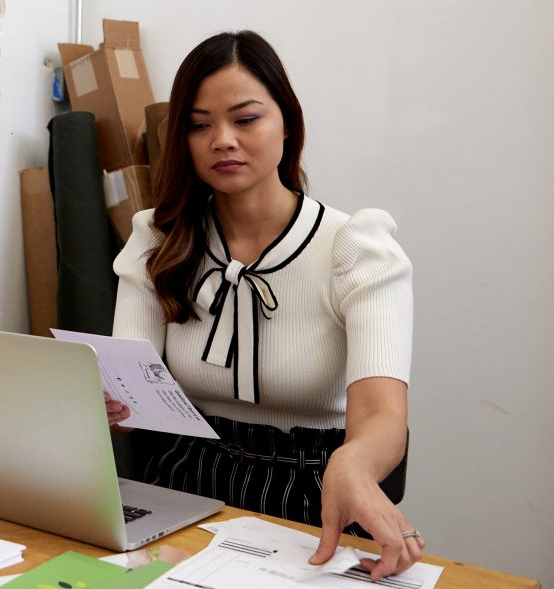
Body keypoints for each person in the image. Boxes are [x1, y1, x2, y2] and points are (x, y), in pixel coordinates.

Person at [105, 30, 422, 580]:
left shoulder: (357, 247)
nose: (222, 140)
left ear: (287, 124)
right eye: (199, 125)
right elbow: (130, 402)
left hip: (315, 492)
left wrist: (354, 461)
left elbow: (382, 416)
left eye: (245, 119)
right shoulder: (157, 241)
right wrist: (104, 404)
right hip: (181, 484)